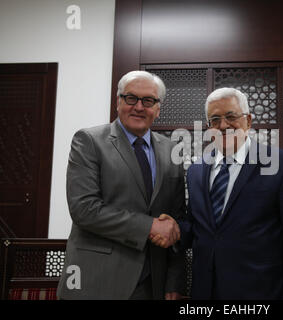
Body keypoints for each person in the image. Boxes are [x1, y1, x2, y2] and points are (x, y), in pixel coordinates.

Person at [173, 87, 283, 299]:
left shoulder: (282, 166)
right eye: (215, 119)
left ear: (248, 121)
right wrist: (169, 229)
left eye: (231, 116)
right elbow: (197, 229)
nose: (223, 125)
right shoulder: (195, 171)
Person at [57, 71, 186, 300]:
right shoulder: (89, 141)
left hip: (153, 283)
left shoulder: (171, 150)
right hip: (97, 281)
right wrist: (148, 227)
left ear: (158, 108)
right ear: (118, 101)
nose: (138, 106)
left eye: (148, 101)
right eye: (130, 98)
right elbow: (84, 209)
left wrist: (174, 281)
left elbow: (174, 220)